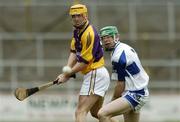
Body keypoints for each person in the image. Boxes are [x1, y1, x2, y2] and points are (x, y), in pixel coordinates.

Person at [56, 4, 110, 122]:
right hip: (95, 75)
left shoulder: (89, 34)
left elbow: (84, 62)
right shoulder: (77, 31)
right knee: (98, 113)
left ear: (85, 16)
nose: (76, 18)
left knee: (80, 112)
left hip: (95, 73)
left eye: (79, 15)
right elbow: (74, 52)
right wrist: (67, 69)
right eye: (73, 16)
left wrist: (67, 75)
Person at [98, 26, 149, 122]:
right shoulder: (123, 47)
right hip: (138, 91)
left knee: (102, 114)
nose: (106, 40)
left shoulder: (118, 56)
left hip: (135, 93)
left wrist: (112, 101)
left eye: (109, 37)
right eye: (103, 38)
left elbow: (120, 84)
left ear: (116, 37)